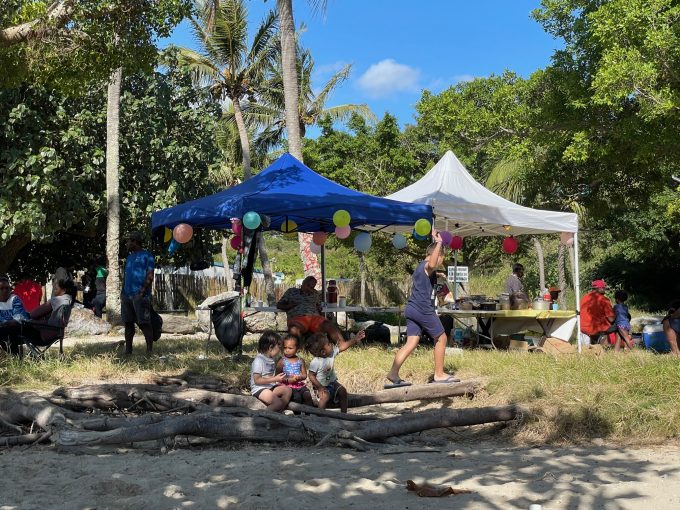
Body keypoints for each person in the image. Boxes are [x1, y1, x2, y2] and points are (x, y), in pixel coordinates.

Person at [385, 229, 459, 388]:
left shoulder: (420, 267)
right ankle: (439, 374)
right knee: (441, 338)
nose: (440, 263)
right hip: (422, 308)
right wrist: (440, 242)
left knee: (411, 342)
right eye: (441, 259)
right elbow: (431, 264)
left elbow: (428, 271)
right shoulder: (428, 265)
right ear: (437, 255)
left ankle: (393, 373)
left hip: (411, 308)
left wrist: (438, 275)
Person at [4, 278, 76, 355]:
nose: (54, 290)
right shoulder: (69, 301)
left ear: (64, 290)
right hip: (56, 334)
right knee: (11, 329)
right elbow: (54, 322)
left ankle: (16, 357)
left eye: (56, 288)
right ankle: (17, 356)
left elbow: (33, 314)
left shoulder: (57, 300)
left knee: (5, 330)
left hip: (42, 334)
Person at [276, 276, 349, 344]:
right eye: (308, 285)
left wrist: (324, 316)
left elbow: (320, 306)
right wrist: (289, 306)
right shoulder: (291, 291)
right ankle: (295, 348)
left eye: (311, 287)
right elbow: (279, 305)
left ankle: (342, 345)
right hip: (297, 317)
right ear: (303, 283)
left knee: (329, 325)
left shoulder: (315, 294)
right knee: (294, 329)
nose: (309, 288)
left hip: (314, 317)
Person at [307, 330, 364, 413]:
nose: (331, 344)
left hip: (332, 383)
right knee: (325, 396)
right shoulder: (315, 362)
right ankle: (319, 415)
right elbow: (311, 376)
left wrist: (355, 339)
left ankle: (343, 414)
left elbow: (343, 347)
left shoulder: (331, 353)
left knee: (343, 391)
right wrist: (319, 387)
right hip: (321, 386)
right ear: (323, 352)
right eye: (329, 344)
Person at [121, 231, 155, 355]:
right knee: (128, 323)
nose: (127, 244)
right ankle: (128, 351)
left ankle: (149, 350)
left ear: (135, 241)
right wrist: (122, 292)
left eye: (129, 241)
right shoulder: (129, 257)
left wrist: (142, 291)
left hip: (140, 295)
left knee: (144, 323)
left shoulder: (147, 256)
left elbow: (150, 275)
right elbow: (126, 276)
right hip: (126, 295)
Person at [250, 330, 292, 412]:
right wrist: (275, 379)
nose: (280, 350)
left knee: (288, 390)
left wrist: (277, 380)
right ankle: (261, 416)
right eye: (278, 347)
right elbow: (257, 380)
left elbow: (268, 376)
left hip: (269, 386)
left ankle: (278, 411)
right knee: (277, 403)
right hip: (259, 388)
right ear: (270, 347)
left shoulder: (270, 359)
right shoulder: (259, 360)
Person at [276, 334, 313, 407]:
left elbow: (304, 375)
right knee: (297, 398)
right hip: (287, 387)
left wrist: (299, 377)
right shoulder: (282, 361)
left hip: (299, 385)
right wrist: (288, 380)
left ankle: (310, 415)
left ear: (297, 348)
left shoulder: (300, 360)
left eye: (290, 348)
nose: (287, 350)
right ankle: (297, 416)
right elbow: (277, 376)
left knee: (307, 396)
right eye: (285, 347)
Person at [580, 279, 616, 345]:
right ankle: (607, 344)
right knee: (619, 324)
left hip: (583, 328)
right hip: (597, 329)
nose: (605, 290)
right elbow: (611, 319)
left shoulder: (584, 297)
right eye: (604, 288)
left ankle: (595, 341)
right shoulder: (604, 300)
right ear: (599, 288)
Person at [0, 277, 30, 354]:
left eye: (7, 288)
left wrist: (4, 324)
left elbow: (18, 319)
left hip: (20, 328)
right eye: (1, 288)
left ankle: (15, 356)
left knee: (11, 328)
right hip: (4, 329)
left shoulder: (14, 299)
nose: (5, 291)